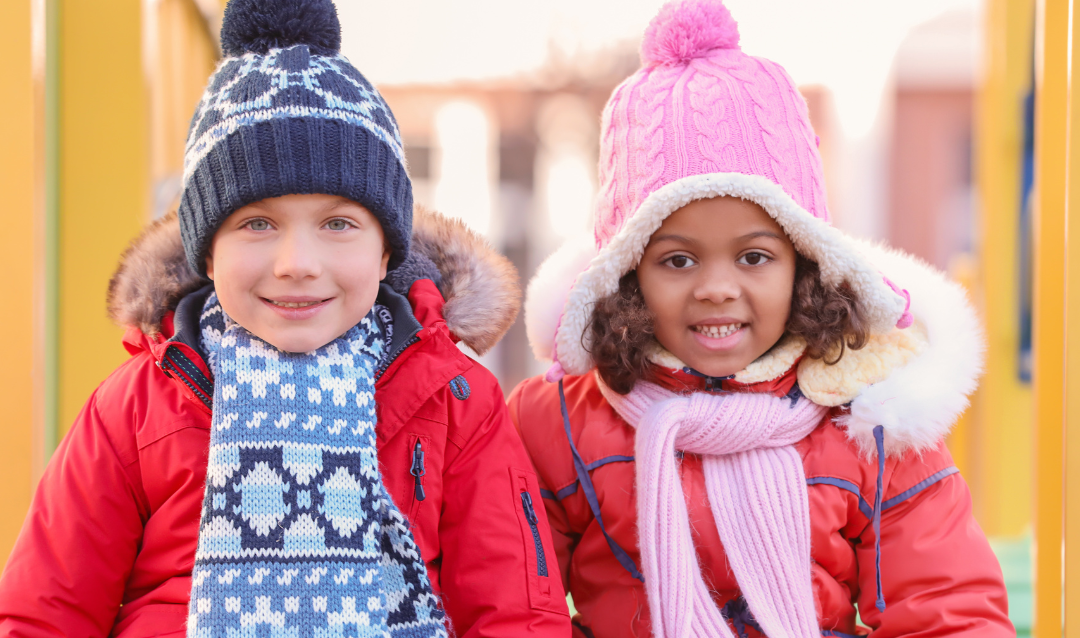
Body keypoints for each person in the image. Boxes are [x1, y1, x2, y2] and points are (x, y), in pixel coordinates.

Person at [0, 0, 570, 636]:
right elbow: (47, 609)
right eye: (257, 223)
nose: (297, 262)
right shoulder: (136, 409)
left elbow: (514, 613)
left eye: (337, 224)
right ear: (206, 253)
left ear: (386, 252)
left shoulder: (455, 402)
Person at [509, 1, 1014, 636]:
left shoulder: (869, 420)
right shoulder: (561, 425)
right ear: (627, 275)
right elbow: (514, 603)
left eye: (754, 256)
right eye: (678, 259)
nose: (717, 289)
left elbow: (947, 607)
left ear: (804, 265)